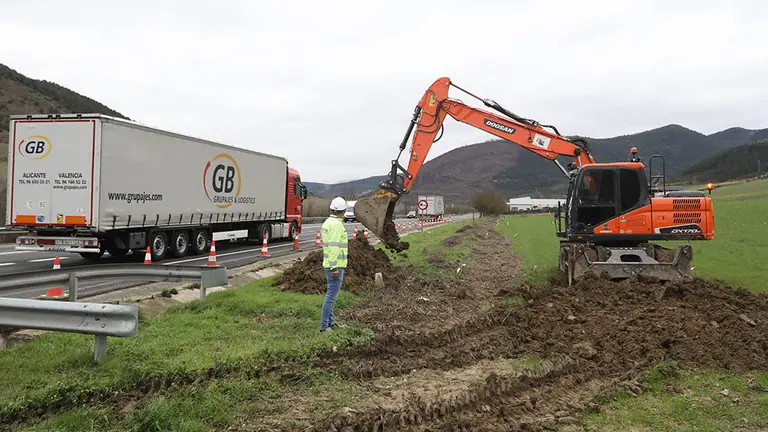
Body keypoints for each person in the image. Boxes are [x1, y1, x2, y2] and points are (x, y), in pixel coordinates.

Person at [320, 196, 349, 333]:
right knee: (331, 297)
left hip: (330, 264)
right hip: (335, 265)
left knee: (331, 295)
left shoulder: (328, 222)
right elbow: (333, 247)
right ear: (343, 211)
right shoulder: (337, 225)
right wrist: (334, 267)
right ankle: (324, 327)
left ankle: (331, 323)